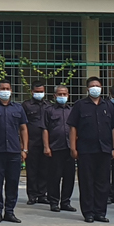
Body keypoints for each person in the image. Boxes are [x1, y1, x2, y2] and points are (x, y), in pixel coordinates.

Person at [69, 77, 114, 223]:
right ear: (87, 89)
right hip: (86, 150)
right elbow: (72, 127)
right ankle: (88, 212)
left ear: (102, 88)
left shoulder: (108, 105)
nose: (95, 88)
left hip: (104, 149)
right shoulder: (80, 105)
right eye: (92, 86)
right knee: (87, 182)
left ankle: (100, 212)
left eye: (98, 85)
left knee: (103, 183)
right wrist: (73, 147)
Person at [0, 82, 27, 223]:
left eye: (7, 89)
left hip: (14, 151)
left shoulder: (18, 108)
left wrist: (25, 149)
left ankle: (9, 211)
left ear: (11, 91)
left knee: (13, 182)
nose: (5, 91)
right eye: (2, 89)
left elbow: (23, 129)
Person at [41, 85, 74, 213]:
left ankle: (66, 202)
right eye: (59, 94)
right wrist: (46, 146)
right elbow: (45, 129)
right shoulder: (49, 110)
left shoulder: (72, 111)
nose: (62, 96)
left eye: (64, 94)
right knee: (54, 176)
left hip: (69, 148)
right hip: (55, 147)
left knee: (69, 176)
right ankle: (54, 202)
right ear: (54, 96)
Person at [22, 83, 49, 206]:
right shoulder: (26, 105)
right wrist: (23, 145)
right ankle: (32, 195)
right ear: (32, 92)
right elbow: (22, 126)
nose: (39, 93)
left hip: (45, 142)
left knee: (44, 170)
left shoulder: (48, 105)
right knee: (32, 170)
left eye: (41, 91)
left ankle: (42, 194)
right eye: (37, 91)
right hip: (31, 142)